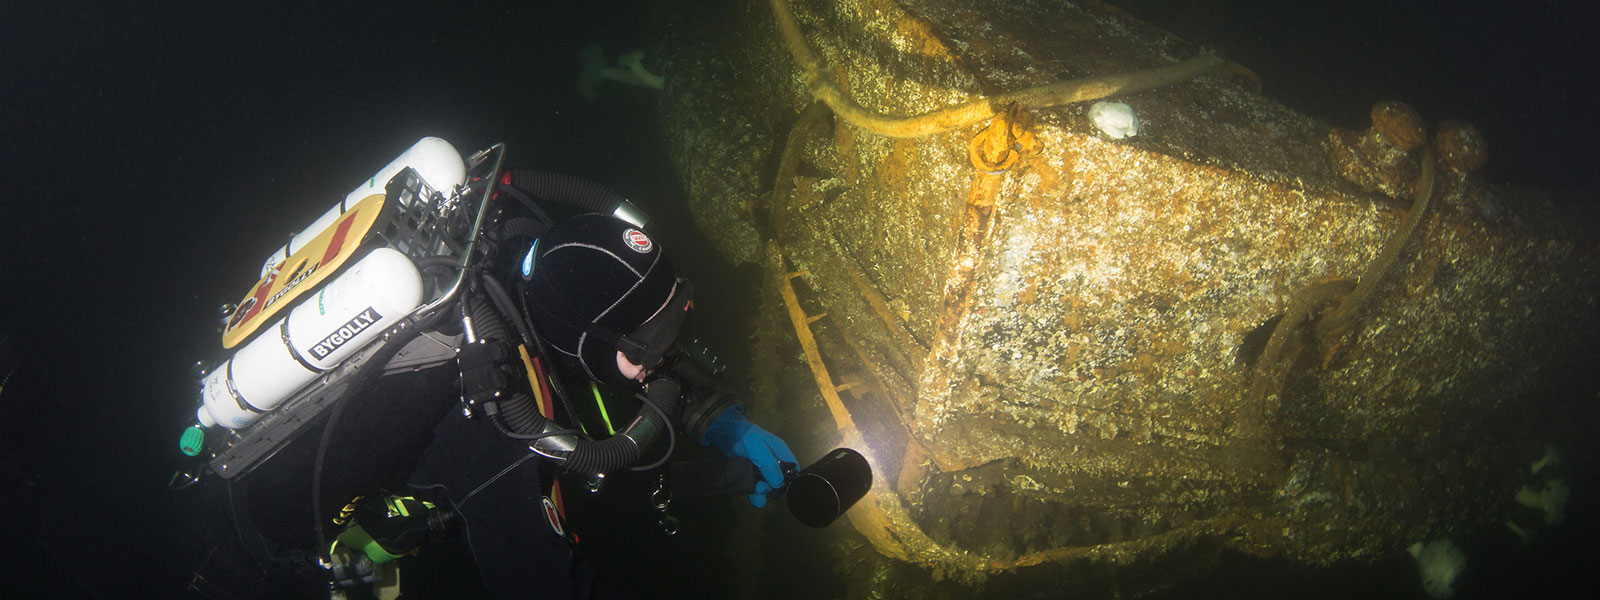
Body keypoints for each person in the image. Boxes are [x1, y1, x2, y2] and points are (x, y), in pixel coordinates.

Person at [183, 171, 796, 599]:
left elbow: (636, 347)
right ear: (584, 343)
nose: (663, 367)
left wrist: (717, 418)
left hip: (391, 501)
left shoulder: (523, 260)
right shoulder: (497, 421)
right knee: (369, 586)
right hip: (277, 555)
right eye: (646, 351)